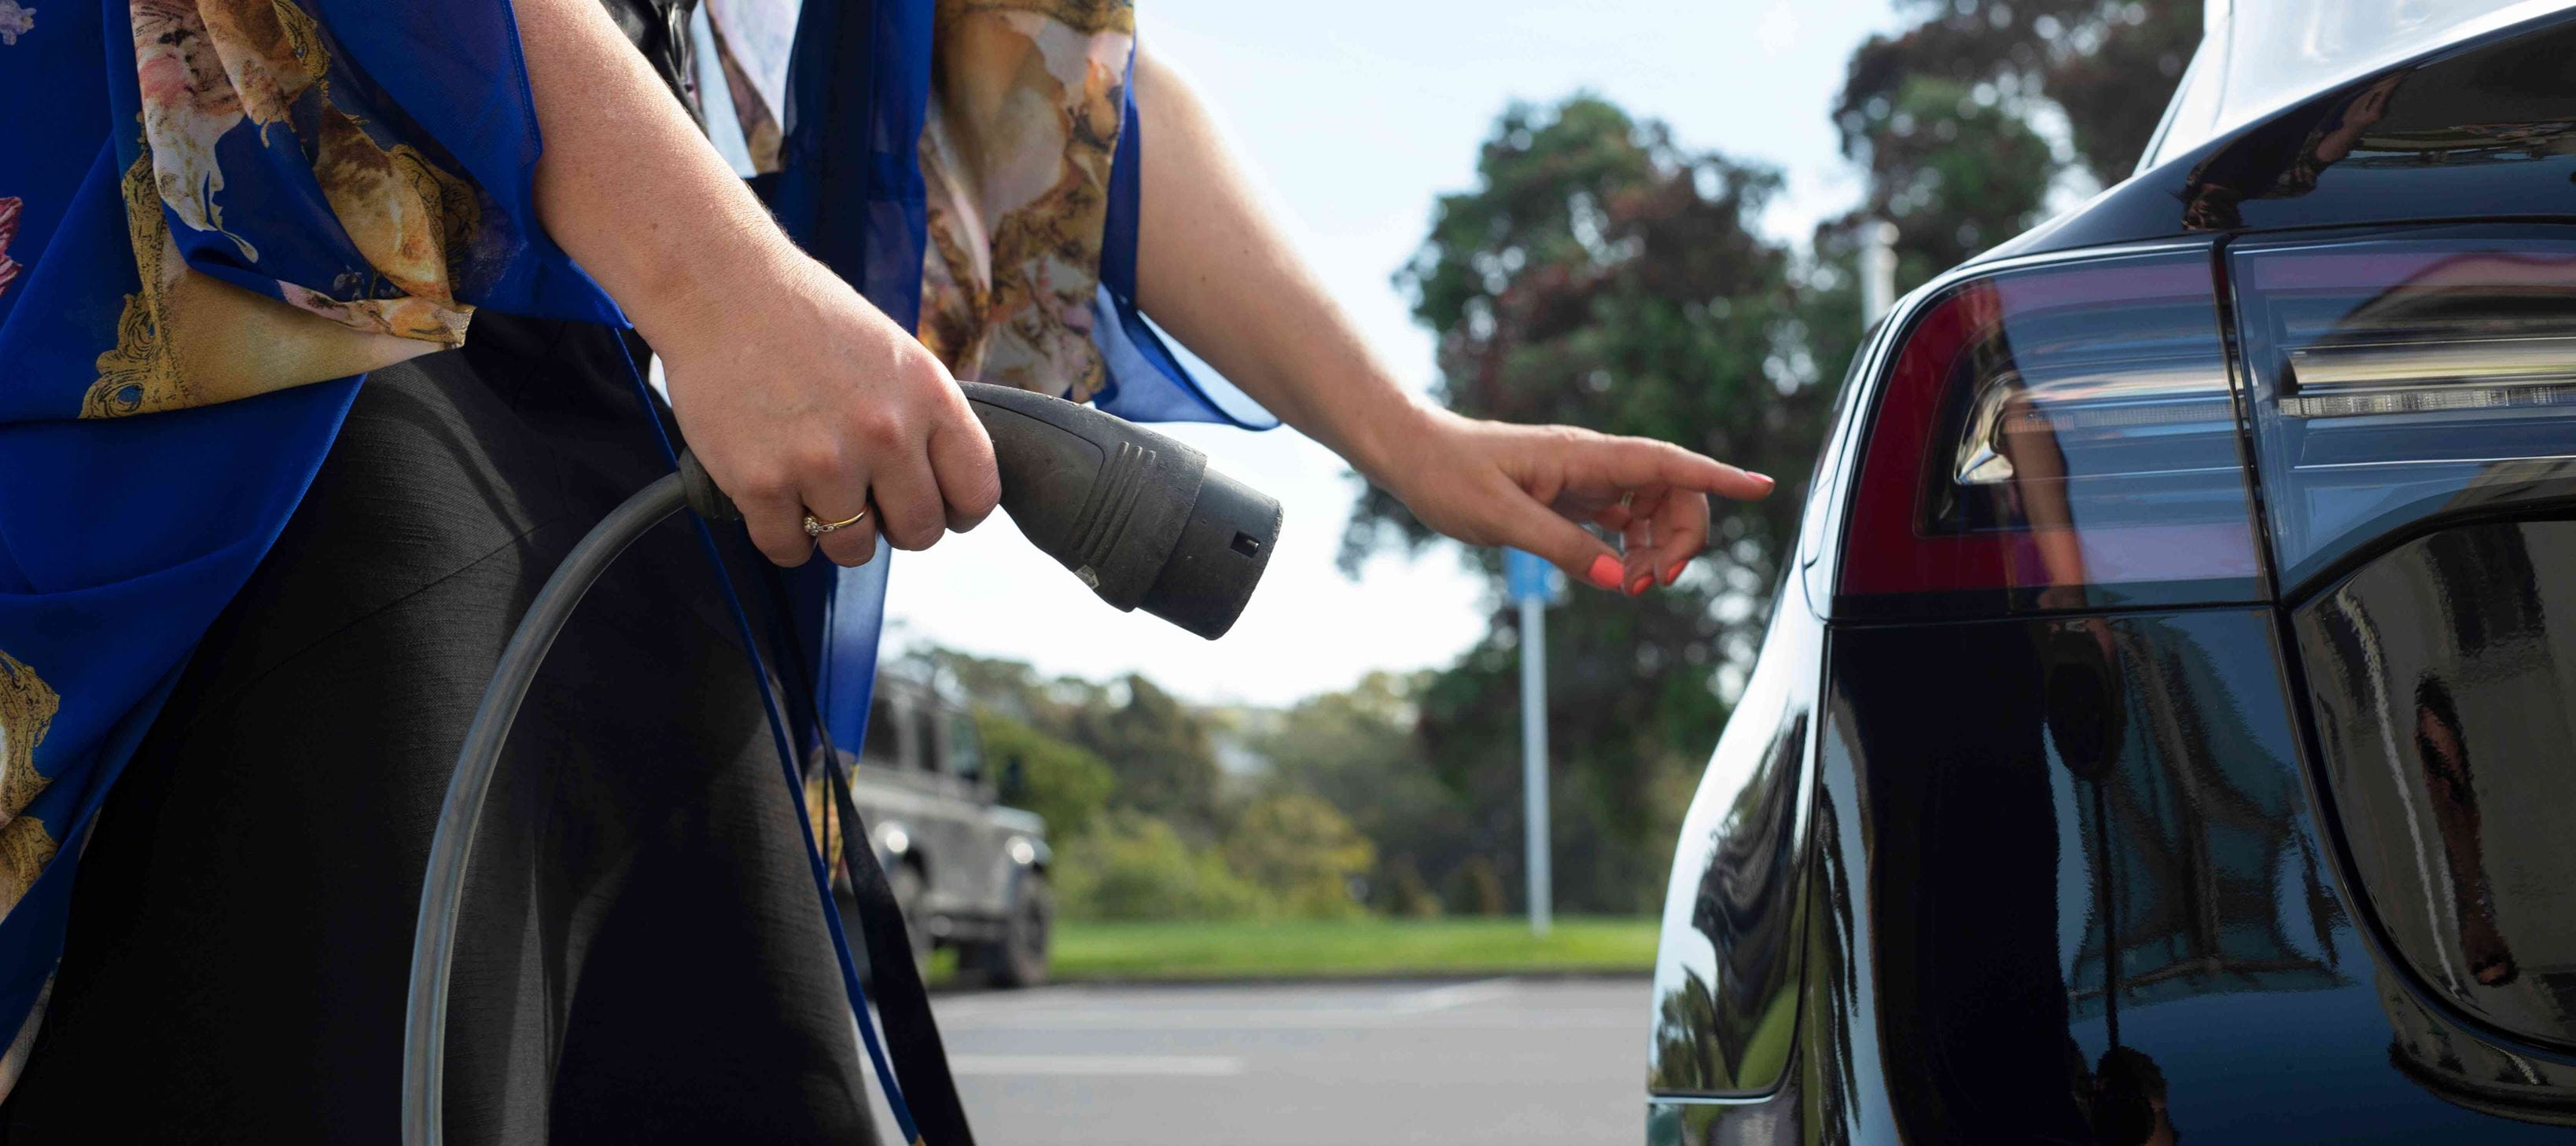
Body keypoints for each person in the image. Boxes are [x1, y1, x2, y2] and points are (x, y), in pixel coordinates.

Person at [0, 0, 1771, 1139]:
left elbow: (1042, 79)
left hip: (636, 454)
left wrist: (1404, 432)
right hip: (287, 394)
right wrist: (718, 286)